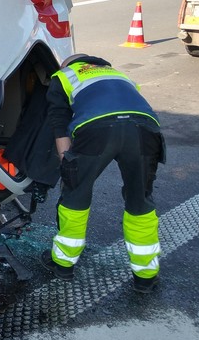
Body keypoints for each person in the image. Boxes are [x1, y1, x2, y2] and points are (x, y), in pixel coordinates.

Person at [41, 53, 165, 293]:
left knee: (76, 195)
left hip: (97, 129)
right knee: (140, 200)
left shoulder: (64, 76)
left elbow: (59, 121)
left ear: (68, 64)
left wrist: (67, 163)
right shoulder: (119, 75)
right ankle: (146, 277)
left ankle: (63, 265)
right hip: (145, 130)